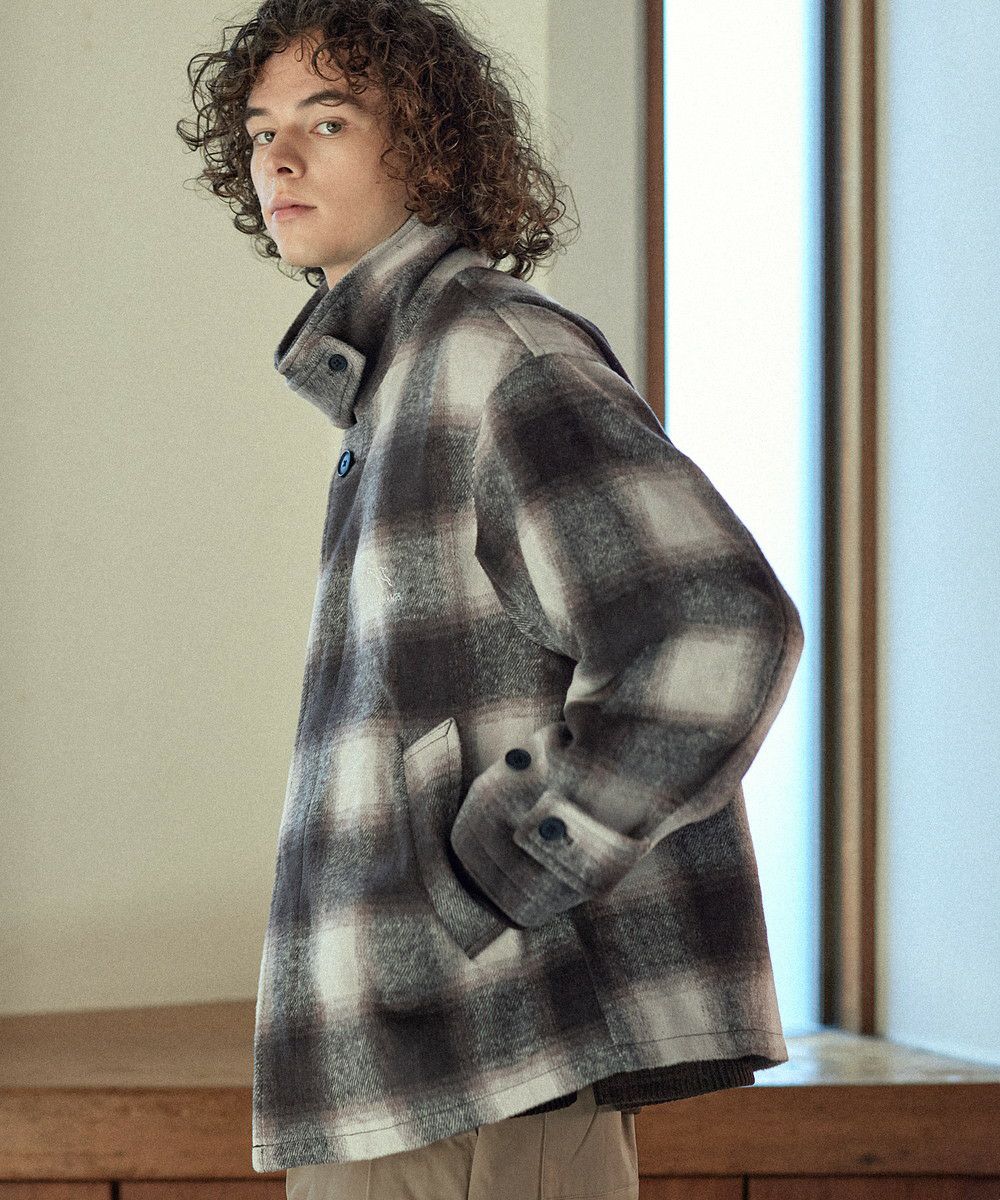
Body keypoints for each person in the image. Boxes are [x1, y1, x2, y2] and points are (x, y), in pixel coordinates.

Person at [177, 3, 804, 1198]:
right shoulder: (398, 380)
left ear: (429, 147)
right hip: (408, 1078)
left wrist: (499, 878)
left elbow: (715, 629)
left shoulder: (496, 355)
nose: (279, 158)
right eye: (260, 130)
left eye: (326, 120)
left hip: (494, 1064)